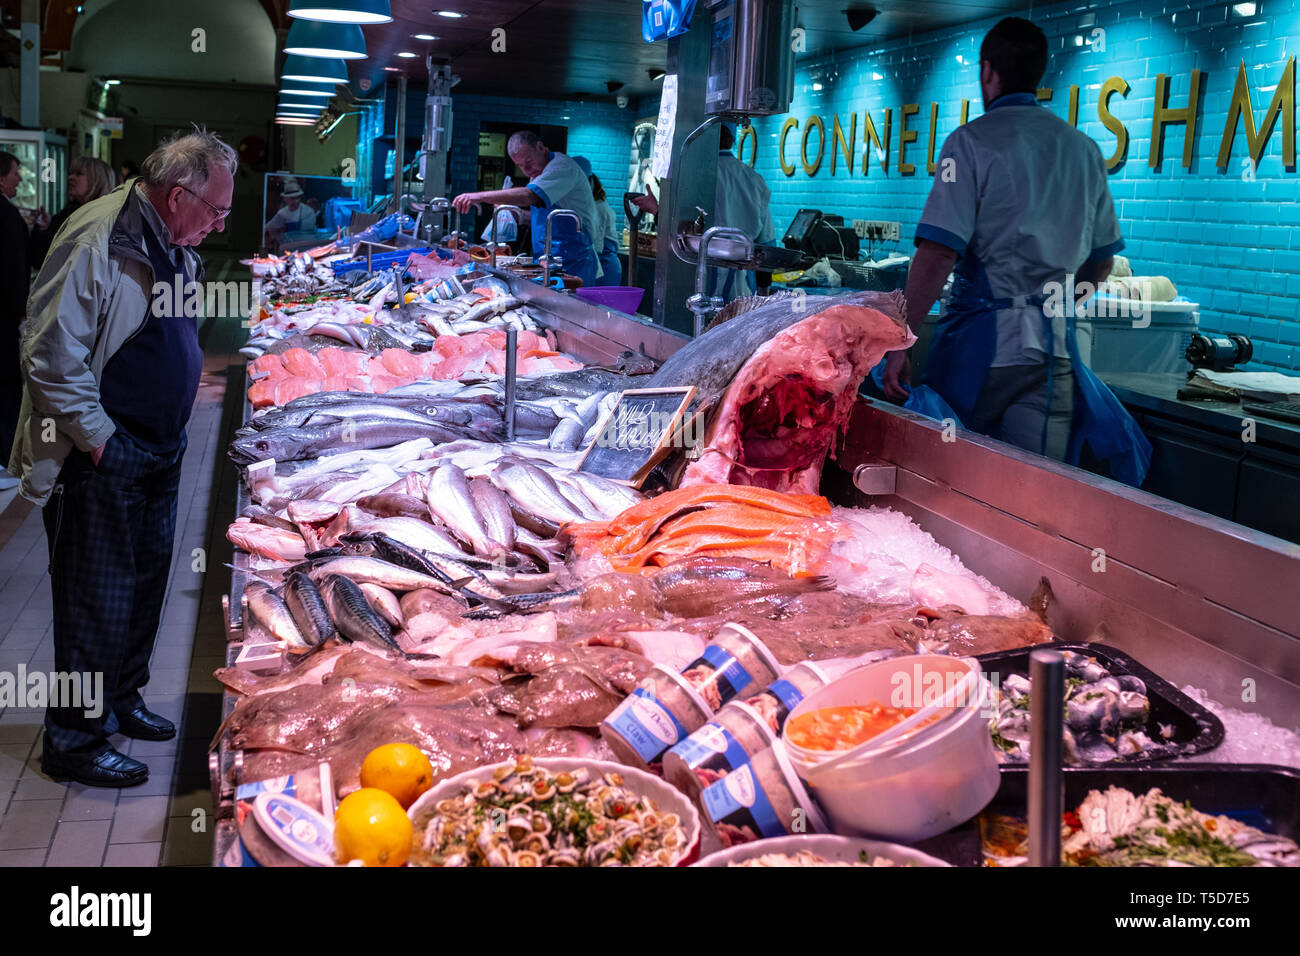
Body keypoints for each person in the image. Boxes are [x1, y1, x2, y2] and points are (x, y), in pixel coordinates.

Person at [11, 128, 236, 787]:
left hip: (159, 446)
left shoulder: (171, 239)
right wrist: (98, 434)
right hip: (102, 453)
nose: (220, 224)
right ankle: (73, 742)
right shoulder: (99, 235)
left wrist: (182, 379)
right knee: (94, 602)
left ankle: (122, 699)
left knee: (142, 589)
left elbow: (154, 330)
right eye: (216, 211)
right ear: (175, 196)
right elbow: (47, 351)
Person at [880, 17, 1149, 484]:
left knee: (949, 481)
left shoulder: (970, 143)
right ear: (1039, 73)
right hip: (1052, 357)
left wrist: (900, 341)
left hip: (979, 350)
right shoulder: (1084, 150)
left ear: (987, 72)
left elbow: (938, 254)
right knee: (1033, 492)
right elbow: (1102, 261)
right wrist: (1055, 301)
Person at [632, 124, 773, 299]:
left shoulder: (695, 175)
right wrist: (764, 295)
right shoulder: (754, 179)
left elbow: (676, 230)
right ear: (732, 141)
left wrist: (656, 210)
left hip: (695, 285)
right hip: (739, 292)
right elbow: (766, 247)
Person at [452, 131, 599, 287]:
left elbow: (528, 196)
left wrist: (478, 197)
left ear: (541, 147)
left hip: (574, 261)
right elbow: (546, 220)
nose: (526, 169)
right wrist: (518, 215)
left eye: (528, 161)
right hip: (547, 262)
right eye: (520, 165)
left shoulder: (562, 166)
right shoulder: (538, 173)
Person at [29, 156, 118, 267]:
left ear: (97, 179)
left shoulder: (106, 216)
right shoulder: (69, 212)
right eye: (70, 173)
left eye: (78, 174)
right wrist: (46, 227)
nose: (70, 177)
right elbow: (42, 258)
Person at [0, 151, 28, 490]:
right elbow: (11, 270)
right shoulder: (7, 218)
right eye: (14, 173)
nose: (19, 179)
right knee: (7, 388)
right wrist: (22, 307)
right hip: (4, 319)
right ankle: (5, 458)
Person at [578, 162, 623, 287]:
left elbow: (597, 244)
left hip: (605, 265)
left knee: (601, 304)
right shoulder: (595, 206)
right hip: (602, 263)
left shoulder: (598, 208)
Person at [265, 178, 318, 243]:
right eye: (292, 198)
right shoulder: (282, 213)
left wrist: (285, 229)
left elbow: (306, 233)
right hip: (287, 246)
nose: (295, 201)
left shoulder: (308, 212)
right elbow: (268, 227)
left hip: (306, 245)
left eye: (297, 198)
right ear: (285, 199)